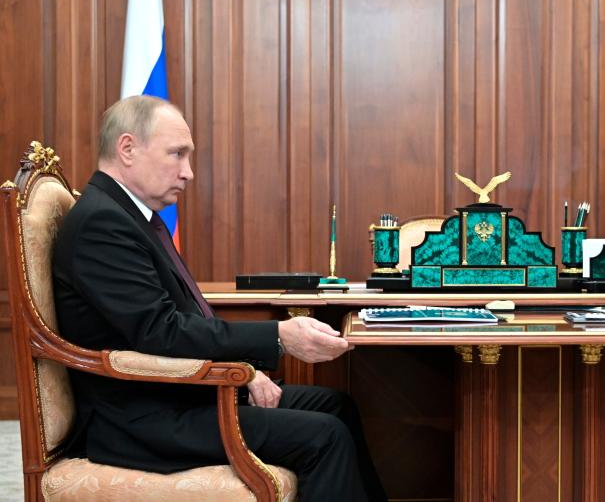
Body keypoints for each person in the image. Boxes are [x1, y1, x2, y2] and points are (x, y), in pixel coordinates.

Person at [53, 95, 387, 502]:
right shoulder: (102, 224)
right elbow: (160, 332)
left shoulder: (129, 215)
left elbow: (180, 318)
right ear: (127, 149)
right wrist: (278, 337)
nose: (188, 172)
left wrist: (244, 369)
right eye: (177, 154)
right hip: (141, 419)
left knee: (335, 406)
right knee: (325, 436)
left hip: (177, 394)